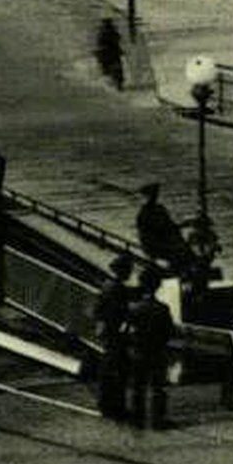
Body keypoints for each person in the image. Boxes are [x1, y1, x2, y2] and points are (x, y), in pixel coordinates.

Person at [126, 270, 177, 430]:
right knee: (158, 387)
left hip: (138, 351)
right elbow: (170, 332)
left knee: (138, 386)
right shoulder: (162, 309)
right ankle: (157, 420)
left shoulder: (134, 309)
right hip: (157, 352)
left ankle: (137, 419)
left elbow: (127, 331)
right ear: (158, 286)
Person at [91, 254, 137, 420]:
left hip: (108, 334)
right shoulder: (119, 289)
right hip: (117, 334)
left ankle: (105, 405)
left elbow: (97, 310)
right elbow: (124, 313)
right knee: (120, 371)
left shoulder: (106, 286)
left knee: (108, 370)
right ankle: (117, 407)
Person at [135, 183, 189, 274]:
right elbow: (152, 232)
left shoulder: (157, 210)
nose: (155, 197)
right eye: (153, 195)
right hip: (156, 244)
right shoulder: (146, 213)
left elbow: (168, 225)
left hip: (162, 242)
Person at [95, 18, 125, 89]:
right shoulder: (112, 31)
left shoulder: (102, 32)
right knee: (114, 65)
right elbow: (118, 38)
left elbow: (99, 42)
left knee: (108, 64)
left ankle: (111, 76)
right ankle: (115, 79)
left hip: (110, 52)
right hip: (112, 52)